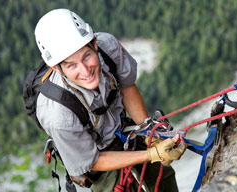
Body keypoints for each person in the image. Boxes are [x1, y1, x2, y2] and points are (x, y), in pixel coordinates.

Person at [34, 8, 186, 192]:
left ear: (94, 44)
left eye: (87, 56)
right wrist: (149, 154)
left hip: (122, 127)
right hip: (95, 153)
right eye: (72, 65)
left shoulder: (109, 48)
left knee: (163, 175)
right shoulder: (56, 113)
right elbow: (93, 160)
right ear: (56, 68)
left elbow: (127, 87)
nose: (85, 70)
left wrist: (148, 130)